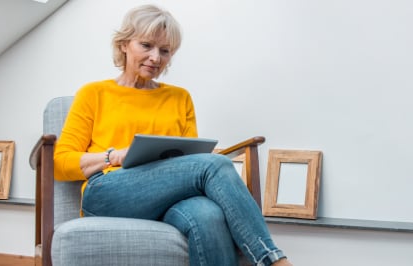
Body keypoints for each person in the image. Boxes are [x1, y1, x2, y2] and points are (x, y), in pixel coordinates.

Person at [53, 4, 292, 266]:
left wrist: (203, 160)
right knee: (214, 166)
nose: (156, 58)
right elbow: (60, 163)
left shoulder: (180, 98)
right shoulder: (94, 94)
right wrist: (112, 156)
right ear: (123, 44)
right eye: (146, 45)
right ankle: (273, 260)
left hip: (167, 199)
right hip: (108, 193)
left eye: (165, 51)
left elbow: (191, 159)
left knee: (208, 214)